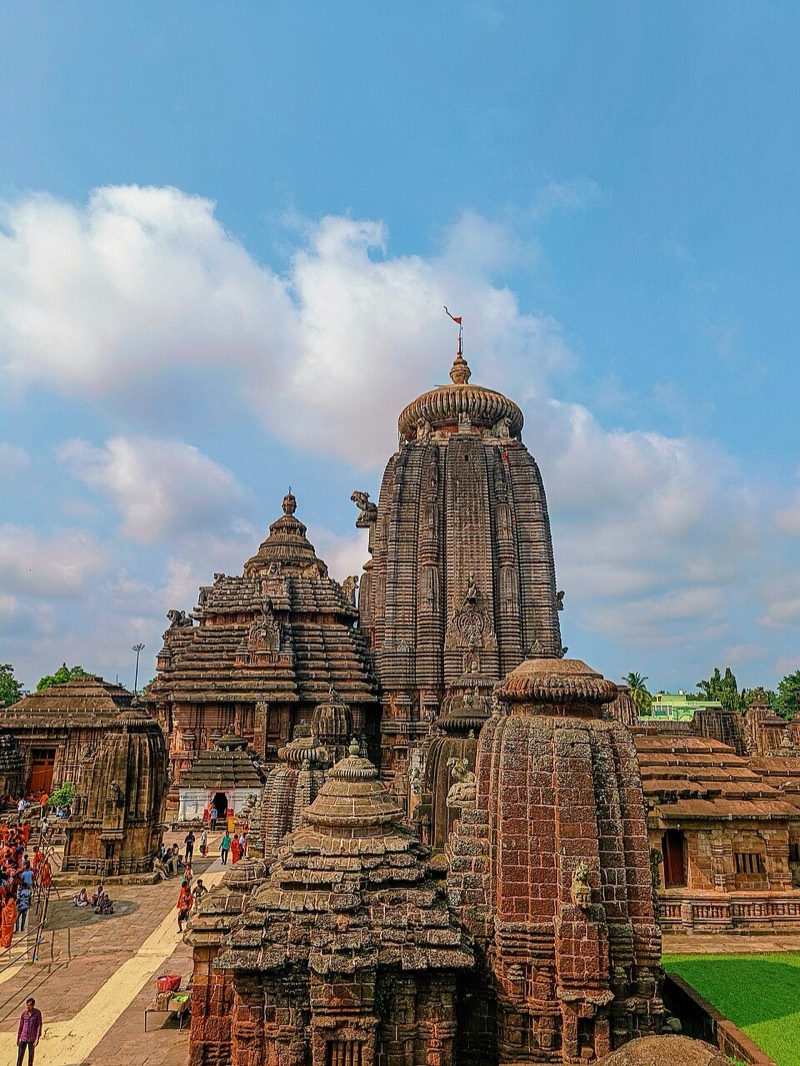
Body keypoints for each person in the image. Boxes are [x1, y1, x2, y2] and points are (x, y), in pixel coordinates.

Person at [16, 997, 41, 1066]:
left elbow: (39, 1025)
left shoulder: (37, 1013)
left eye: (29, 1006)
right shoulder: (24, 1014)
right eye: (27, 1005)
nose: (28, 1007)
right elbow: (21, 1026)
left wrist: (37, 1038)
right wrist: (18, 1038)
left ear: (33, 1005)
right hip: (23, 1037)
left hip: (32, 1038)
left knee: (30, 1057)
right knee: (20, 1057)